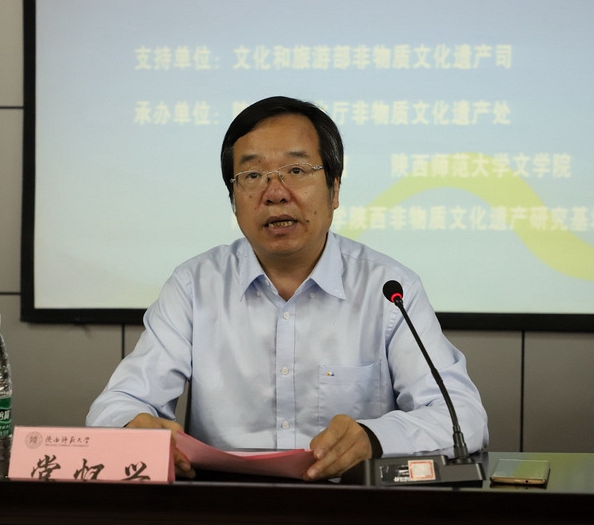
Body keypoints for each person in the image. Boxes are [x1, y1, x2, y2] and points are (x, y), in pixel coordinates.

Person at [86, 96, 488, 481]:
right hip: (221, 509)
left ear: (334, 189)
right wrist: (134, 427)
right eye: (253, 175)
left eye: (296, 171)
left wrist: (374, 438)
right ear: (233, 200)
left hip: (351, 508)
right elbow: (117, 405)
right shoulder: (194, 286)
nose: (275, 193)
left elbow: (463, 417)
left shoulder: (388, 289)